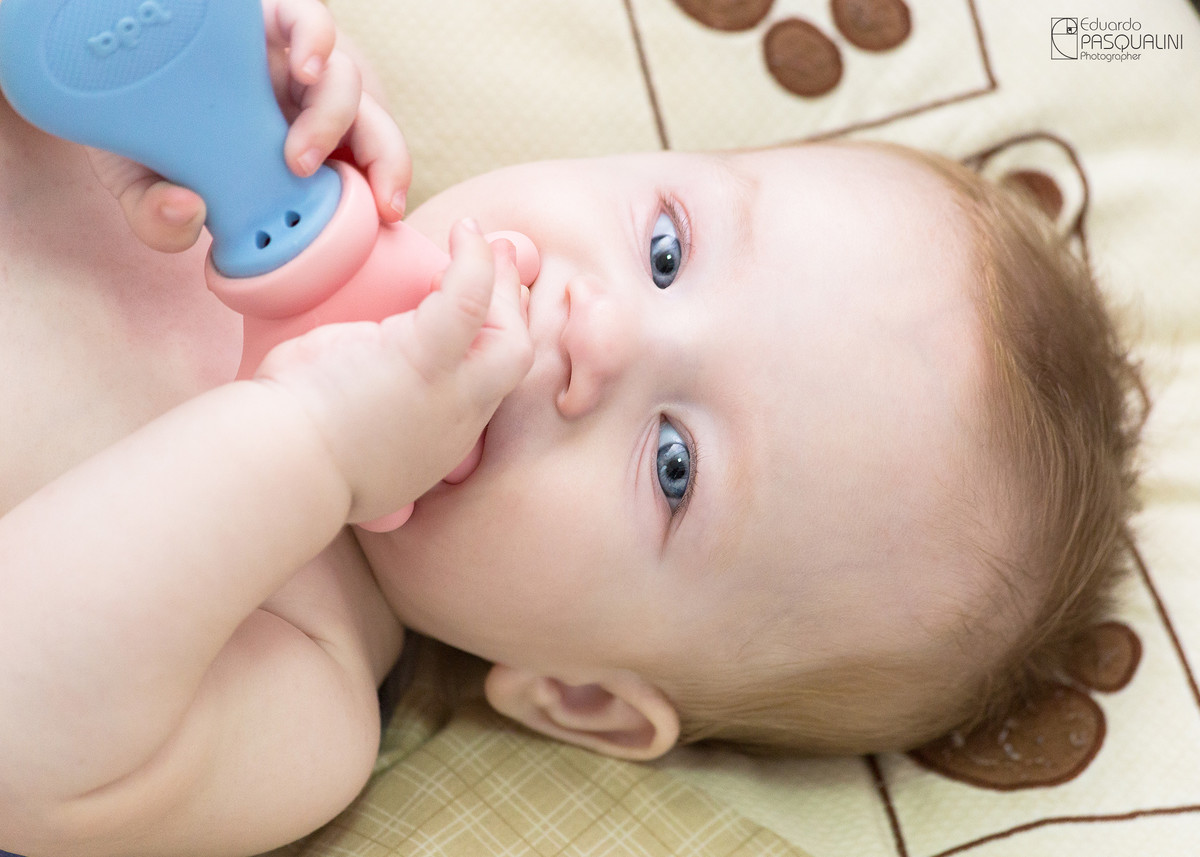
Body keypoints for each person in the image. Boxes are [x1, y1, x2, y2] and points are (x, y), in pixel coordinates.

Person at [0, 0, 1145, 854]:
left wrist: (310, 443)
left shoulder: (307, 688)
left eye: (676, 464)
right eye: (665, 250)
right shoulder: (299, 138)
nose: (594, 332)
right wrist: (197, 70)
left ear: (579, 694)